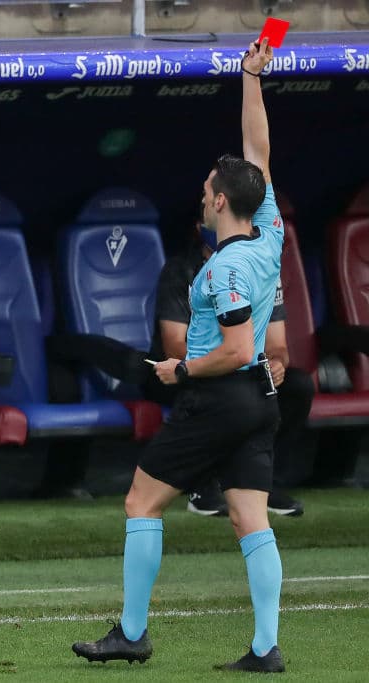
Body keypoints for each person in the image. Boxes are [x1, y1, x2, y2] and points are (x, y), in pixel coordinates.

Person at [72, 39, 287, 673]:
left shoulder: (223, 270)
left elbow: (238, 348)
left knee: (140, 501)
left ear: (221, 201)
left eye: (205, 190)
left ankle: (132, 634)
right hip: (260, 404)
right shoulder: (268, 226)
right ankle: (266, 648)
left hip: (217, 397)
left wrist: (180, 370)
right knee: (250, 518)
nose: (200, 195)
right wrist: (250, 77)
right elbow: (259, 152)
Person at [147, 222, 313, 517]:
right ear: (198, 228)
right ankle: (203, 486)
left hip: (241, 367)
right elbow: (175, 345)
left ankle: (262, 480)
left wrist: (276, 364)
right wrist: (223, 365)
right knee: (224, 392)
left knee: (297, 387)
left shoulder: (262, 271)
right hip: (183, 371)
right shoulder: (182, 270)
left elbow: (277, 345)